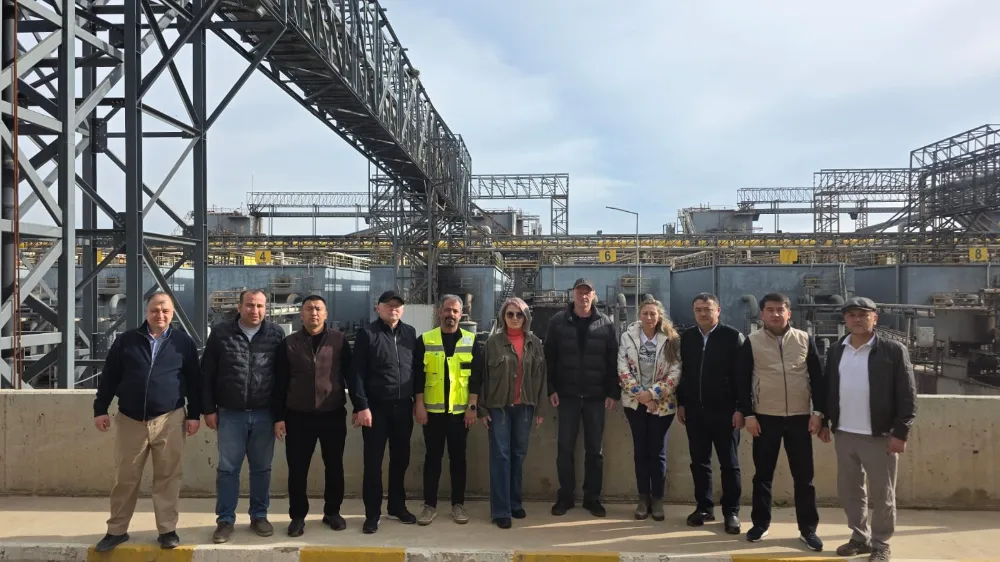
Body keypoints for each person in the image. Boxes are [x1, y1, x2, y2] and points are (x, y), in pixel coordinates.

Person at [92, 292, 202, 552]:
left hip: (170, 418)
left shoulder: (183, 343)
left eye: (165, 311)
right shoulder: (126, 341)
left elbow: (194, 381)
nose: (159, 315)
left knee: (168, 477)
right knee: (125, 478)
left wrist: (194, 414)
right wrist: (100, 408)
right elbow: (110, 376)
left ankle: (167, 530)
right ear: (146, 312)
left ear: (172, 313)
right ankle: (116, 530)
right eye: (155, 310)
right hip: (130, 419)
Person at [822, 297, 917, 562]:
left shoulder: (893, 350)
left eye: (863, 314)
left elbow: (907, 394)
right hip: (844, 432)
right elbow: (828, 388)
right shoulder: (837, 350)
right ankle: (859, 537)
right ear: (845, 319)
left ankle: (881, 543)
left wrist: (901, 432)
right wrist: (825, 420)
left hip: (880, 435)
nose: (857, 319)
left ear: (875, 318)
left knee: (883, 494)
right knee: (850, 491)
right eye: (851, 315)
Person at [737, 292, 827, 551]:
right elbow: (741, 380)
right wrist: (749, 414)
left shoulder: (804, 339)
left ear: (789, 312)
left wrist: (818, 413)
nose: (775, 314)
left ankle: (808, 529)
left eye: (780, 309)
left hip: (800, 418)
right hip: (765, 418)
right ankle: (760, 524)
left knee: (804, 477)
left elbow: (817, 378)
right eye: (770, 310)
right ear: (762, 314)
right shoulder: (752, 342)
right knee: (762, 476)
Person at [201, 289, 286, 543]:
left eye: (260, 306)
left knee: (262, 469)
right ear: (239, 307)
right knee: (228, 469)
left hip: (264, 414)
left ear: (266, 308)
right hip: (230, 414)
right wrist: (208, 409)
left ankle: (259, 516)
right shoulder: (221, 334)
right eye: (250, 305)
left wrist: (280, 416)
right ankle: (225, 520)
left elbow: (282, 379)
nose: (255, 310)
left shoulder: (276, 334)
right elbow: (207, 374)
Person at [272, 295, 354, 537]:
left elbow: (351, 375)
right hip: (298, 416)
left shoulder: (339, 340)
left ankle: (332, 512)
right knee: (298, 469)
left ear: (326, 314)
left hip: (332, 414)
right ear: (301, 314)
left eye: (318, 309)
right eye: (309, 309)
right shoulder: (289, 343)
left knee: (334, 466)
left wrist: (361, 406)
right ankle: (297, 517)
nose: (314, 313)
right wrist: (278, 417)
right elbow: (280, 383)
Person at [545, 278, 620, 518]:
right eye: (579, 292)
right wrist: (551, 388)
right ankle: (565, 497)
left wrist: (613, 392)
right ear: (573, 294)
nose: (583, 296)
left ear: (593, 295)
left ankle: (592, 498)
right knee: (565, 448)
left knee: (595, 450)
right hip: (566, 396)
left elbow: (613, 361)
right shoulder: (557, 322)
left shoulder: (605, 324)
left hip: (595, 397)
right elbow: (549, 358)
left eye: (587, 292)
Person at [347, 289, 418, 534]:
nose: (393, 309)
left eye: (397, 305)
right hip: (376, 409)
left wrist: (417, 400)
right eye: (388, 305)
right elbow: (357, 373)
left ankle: (397, 506)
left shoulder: (410, 333)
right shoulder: (367, 334)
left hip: (403, 407)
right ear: (378, 308)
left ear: (403, 309)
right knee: (373, 462)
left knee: (401, 460)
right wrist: (361, 406)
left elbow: (415, 369)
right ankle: (372, 514)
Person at [676, 292, 745, 534]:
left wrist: (740, 409)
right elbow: (683, 374)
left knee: (729, 464)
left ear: (718, 311)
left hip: (725, 413)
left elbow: (742, 377)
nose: (703, 314)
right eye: (698, 310)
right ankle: (704, 507)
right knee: (699, 462)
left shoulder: (732, 337)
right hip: (695, 412)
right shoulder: (687, 338)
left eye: (708, 309)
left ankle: (731, 512)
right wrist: (682, 403)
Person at [478, 297, 547, 529]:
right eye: (510, 314)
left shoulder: (535, 343)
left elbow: (541, 376)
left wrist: (540, 408)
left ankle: (514, 502)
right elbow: (483, 377)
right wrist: (482, 409)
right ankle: (501, 510)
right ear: (503, 316)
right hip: (498, 407)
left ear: (526, 318)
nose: (515, 318)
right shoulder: (493, 343)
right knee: (500, 456)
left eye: (519, 314)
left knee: (518, 455)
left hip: (525, 407)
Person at [413, 295, 481, 526]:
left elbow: (476, 378)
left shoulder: (471, 341)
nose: (451, 314)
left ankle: (458, 505)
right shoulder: (425, 340)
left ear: (461, 315)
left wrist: (472, 407)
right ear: (439, 312)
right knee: (432, 459)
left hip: (460, 415)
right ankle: (429, 506)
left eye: (455, 311)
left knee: (458, 460)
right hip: (432, 414)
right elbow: (418, 376)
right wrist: (419, 405)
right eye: (447, 310)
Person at [616, 297, 681, 522]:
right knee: (641, 452)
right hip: (635, 403)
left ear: (659, 315)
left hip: (662, 405)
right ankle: (643, 499)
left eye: (653, 313)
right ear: (639, 315)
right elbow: (622, 369)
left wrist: (653, 394)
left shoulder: (671, 339)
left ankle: (658, 499)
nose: (649, 317)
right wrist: (642, 396)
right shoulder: (628, 337)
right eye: (645, 313)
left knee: (657, 452)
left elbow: (675, 372)